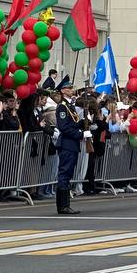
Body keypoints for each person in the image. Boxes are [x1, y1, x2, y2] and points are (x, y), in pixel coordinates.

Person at [53, 84, 85, 214]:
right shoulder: (62, 106)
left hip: (72, 144)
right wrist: (80, 134)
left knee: (68, 173)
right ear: (63, 91)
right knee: (64, 173)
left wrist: (82, 123)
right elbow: (64, 127)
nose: (72, 90)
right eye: (69, 88)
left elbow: (72, 124)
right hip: (67, 144)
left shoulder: (69, 106)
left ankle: (65, 205)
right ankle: (63, 206)